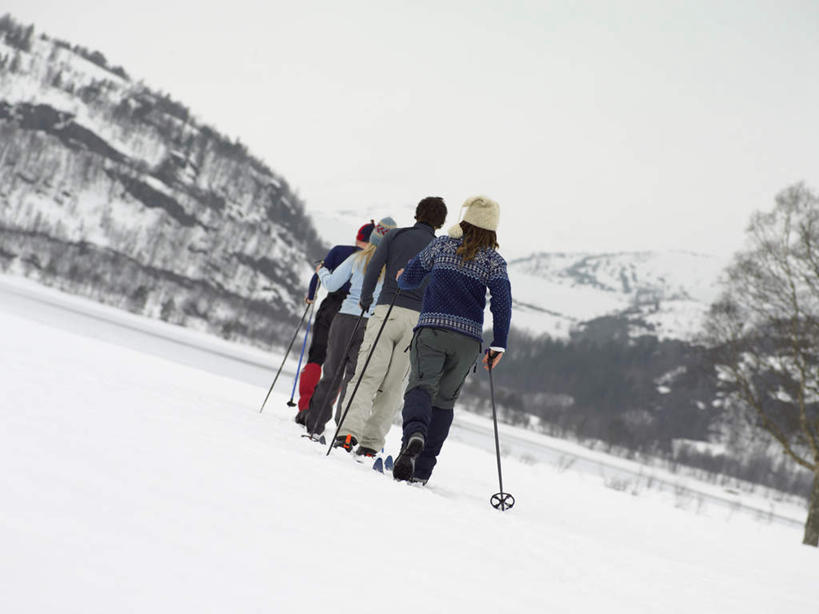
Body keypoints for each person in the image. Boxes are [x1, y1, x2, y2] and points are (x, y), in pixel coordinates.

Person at [391, 196, 512, 483]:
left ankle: (414, 435)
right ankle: (421, 471)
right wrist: (499, 343)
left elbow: (409, 278)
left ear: (465, 219)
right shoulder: (494, 261)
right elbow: (502, 303)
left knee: (421, 387)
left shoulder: (442, 245)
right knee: (444, 402)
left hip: (432, 330)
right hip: (468, 340)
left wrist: (402, 276)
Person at [333, 197, 448, 457]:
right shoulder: (440, 247)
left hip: (386, 311)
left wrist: (365, 299)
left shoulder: (395, 236)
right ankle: (371, 444)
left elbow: (374, 267)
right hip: (417, 321)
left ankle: (349, 433)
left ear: (417, 213)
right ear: (441, 222)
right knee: (395, 385)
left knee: (367, 375)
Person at [302, 217, 398, 442]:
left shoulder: (357, 259)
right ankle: (344, 431)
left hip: (345, 319)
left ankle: (315, 424)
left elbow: (332, 284)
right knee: (354, 378)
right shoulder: (392, 268)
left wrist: (321, 270)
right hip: (372, 325)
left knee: (332, 372)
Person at [294, 222, 375, 425]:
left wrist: (311, 297)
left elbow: (319, 274)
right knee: (338, 366)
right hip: (354, 312)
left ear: (358, 237)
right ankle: (322, 411)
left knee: (316, 356)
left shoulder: (340, 251)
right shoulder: (375, 261)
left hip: (331, 308)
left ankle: (305, 407)